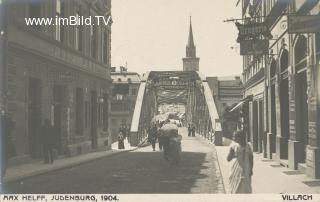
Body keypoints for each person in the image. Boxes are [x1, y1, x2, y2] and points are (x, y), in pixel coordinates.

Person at [0, 111, 16, 181]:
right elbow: (13, 127)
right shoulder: (7, 119)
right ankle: (2, 174)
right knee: (4, 159)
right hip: (6, 142)